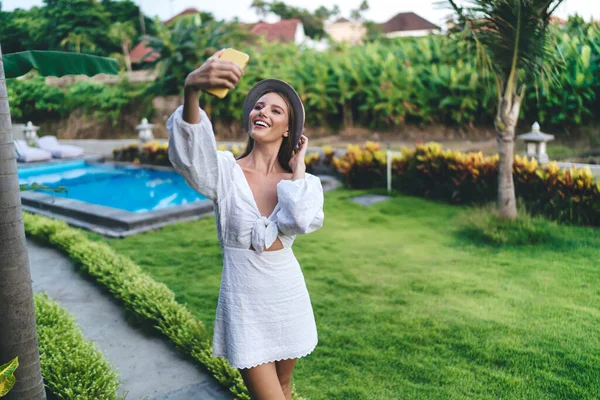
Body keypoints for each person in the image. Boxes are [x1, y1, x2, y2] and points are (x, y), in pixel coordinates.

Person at [166, 49, 324, 400]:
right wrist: (191, 88)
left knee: (284, 388)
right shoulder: (224, 171)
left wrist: (297, 167)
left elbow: (299, 219)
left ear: (288, 130)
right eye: (258, 106)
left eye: (275, 109)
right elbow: (190, 155)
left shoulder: (302, 183)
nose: (262, 111)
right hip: (245, 305)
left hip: (288, 298)